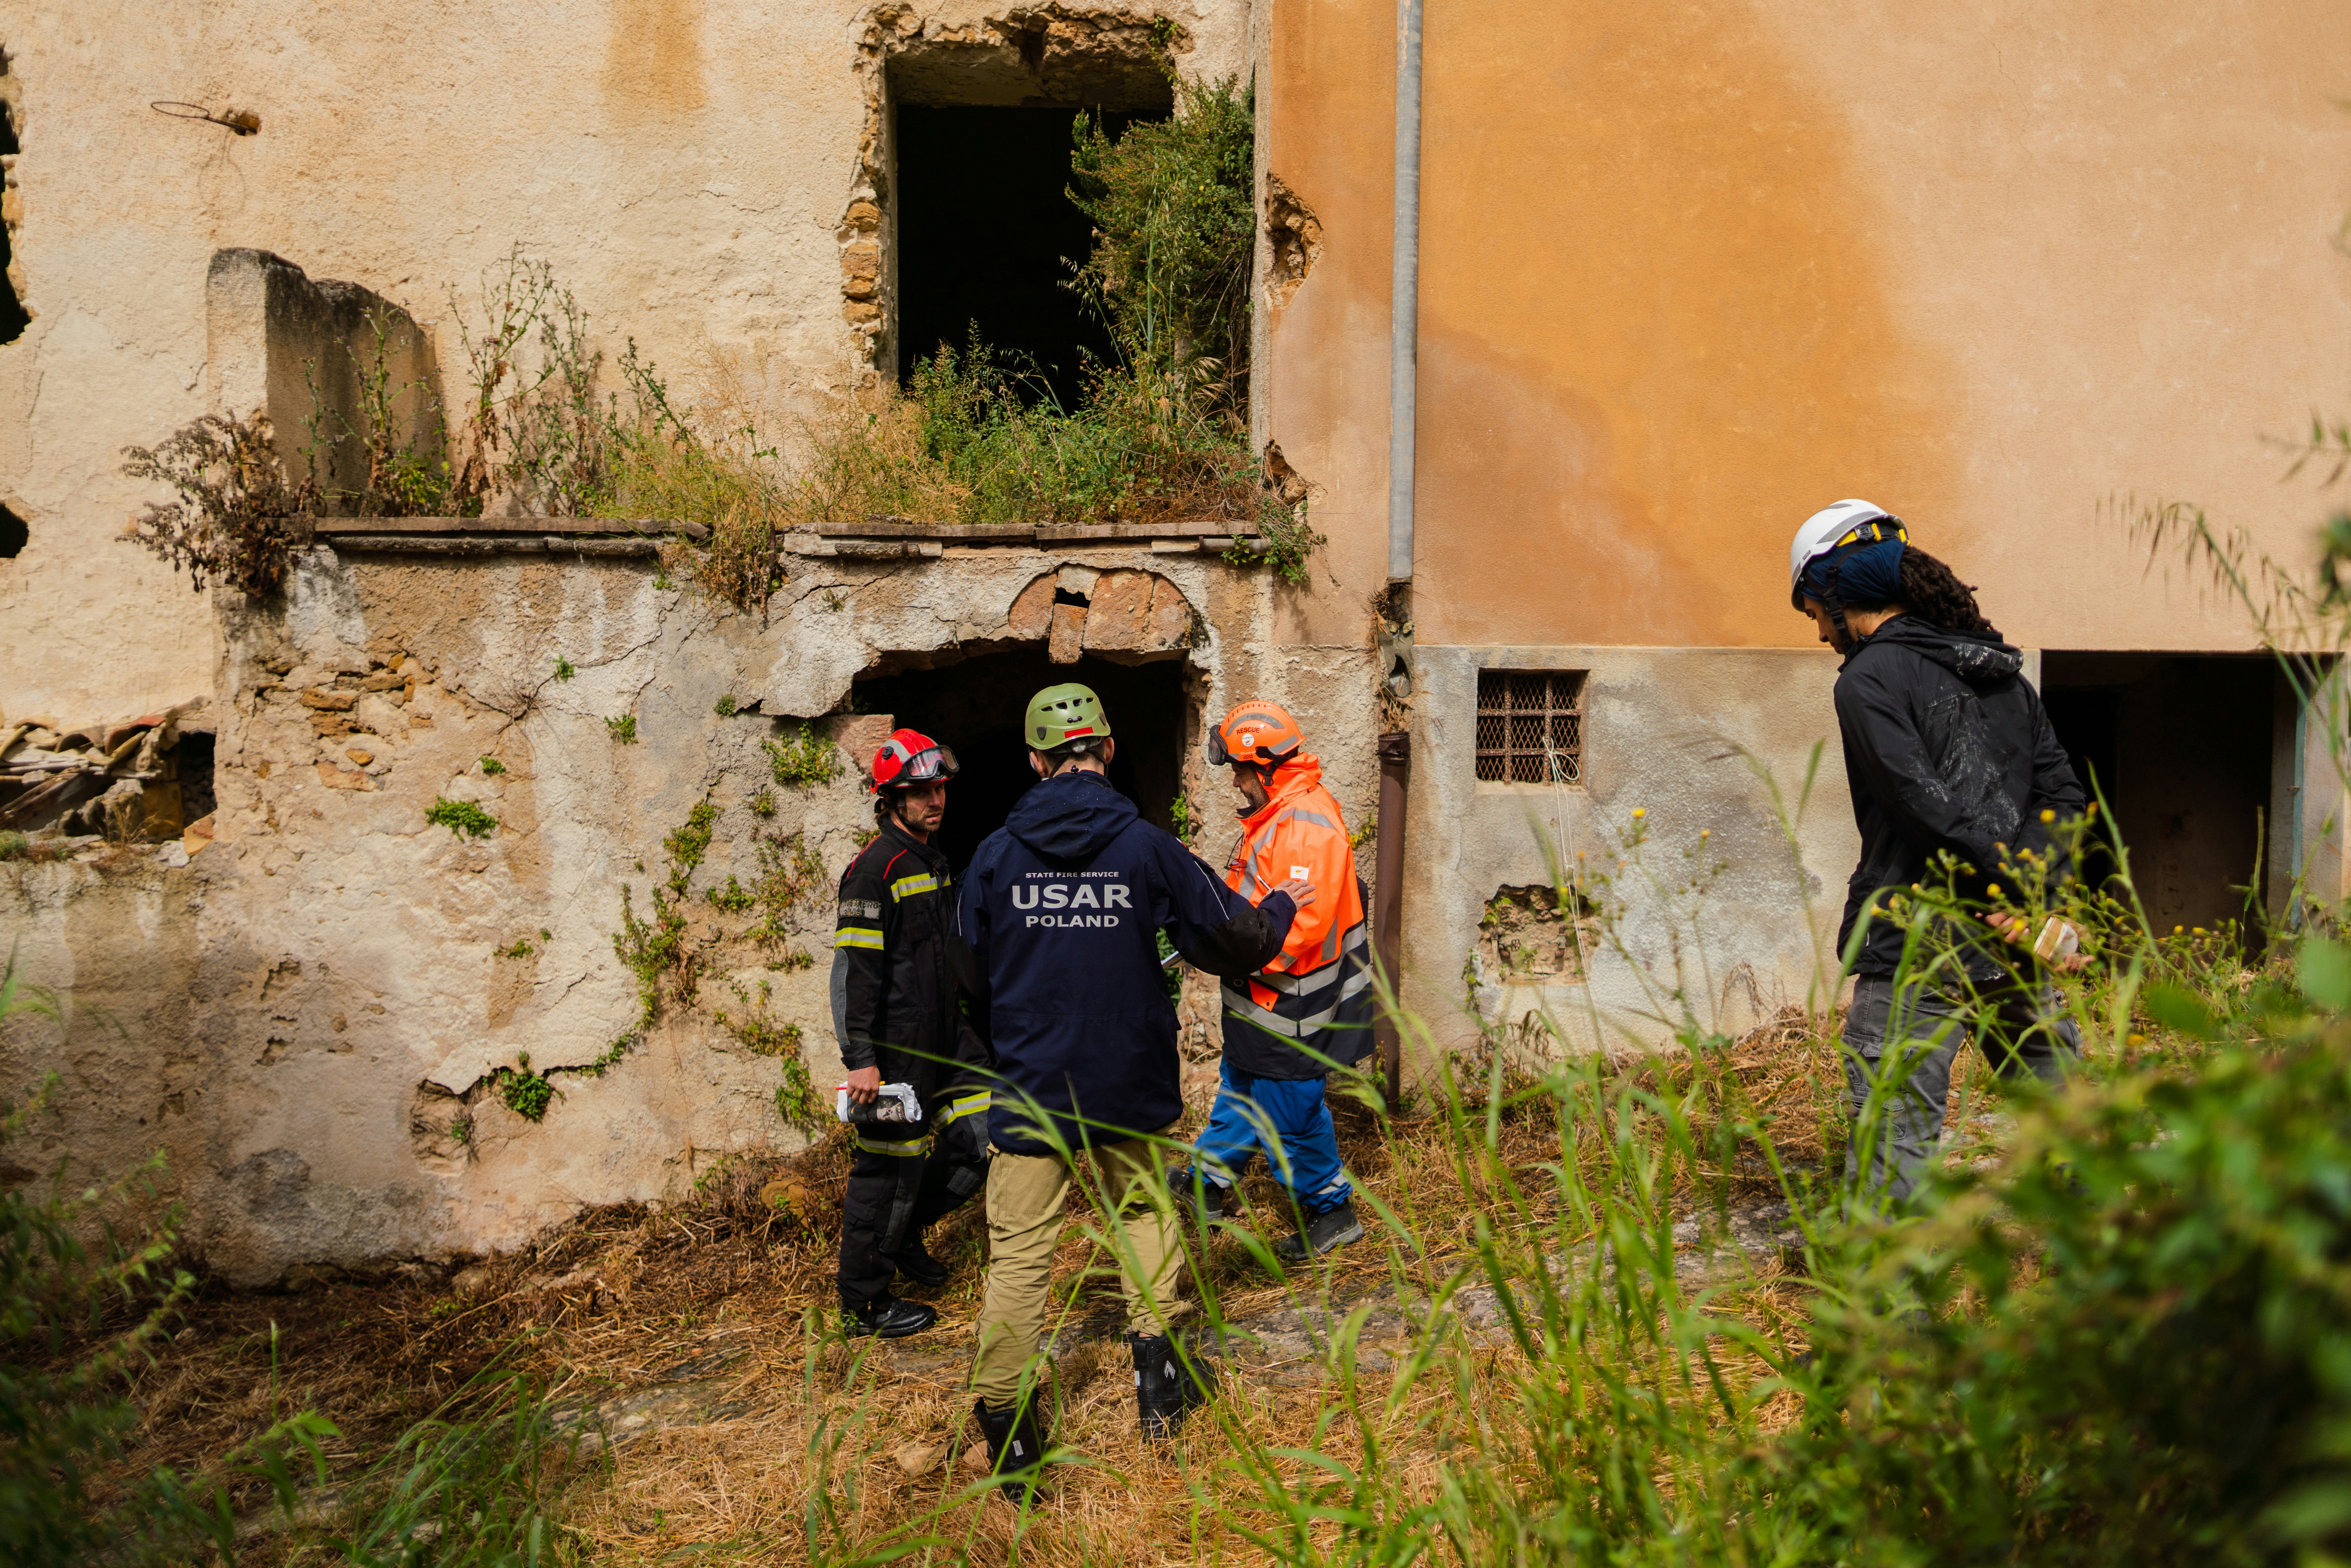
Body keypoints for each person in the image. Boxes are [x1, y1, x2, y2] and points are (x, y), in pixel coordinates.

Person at [954, 682, 1312, 1498]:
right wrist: (1284, 903)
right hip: (1128, 1081)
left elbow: (966, 975)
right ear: (1106, 751)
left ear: (1035, 761)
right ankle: (1160, 1389)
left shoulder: (994, 857)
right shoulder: (1148, 849)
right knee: (1146, 1215)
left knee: (1017, 1253)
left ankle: (1009, 1433)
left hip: (1031, 1087)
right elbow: (1236, 941)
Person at [1791, 499, 2087, 1203]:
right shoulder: (2000, 673)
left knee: (1896, 1143)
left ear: (1836, 593)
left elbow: (1921, 806)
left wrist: (2003, 897)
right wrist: (2028, 899)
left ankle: (1898, 1312)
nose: (1820, 634)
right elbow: (2063, 799)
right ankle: (2106, 1290)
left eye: (1812, 613)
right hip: (2012, 939)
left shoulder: (1866, 679)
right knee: (2065, 1129)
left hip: (1917, 941)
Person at [1170, 700, 1374, 1260]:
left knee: (1291, 1112)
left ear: (1268, 766)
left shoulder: (1304, 830)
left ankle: (1331, 1210)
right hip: (1264, 1003)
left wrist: (1228, 952)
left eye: (1240, 769)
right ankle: (1208, 1182)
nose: (1235, 781)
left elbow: (1294, 936)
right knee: (1241, 1087)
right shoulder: (1280, 814)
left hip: (1293, 1007)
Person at [829, 728, 993, 1340]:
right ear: (890, 799)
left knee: (987, 1131)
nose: (935, 802)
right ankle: (863, 1305)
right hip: (895, 1052)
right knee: (885, 1175)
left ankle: (902, 1237)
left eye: (939, 790)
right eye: (920, 793)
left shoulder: (931, 859)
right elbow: (852, 974)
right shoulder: (874, 871)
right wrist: (861, 1058)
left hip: (948, 1041)